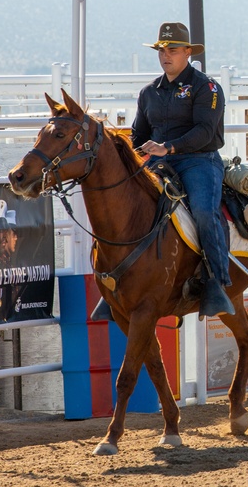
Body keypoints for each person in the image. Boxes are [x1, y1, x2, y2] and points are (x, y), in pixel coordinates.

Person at [93, 22, 233, 322]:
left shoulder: (206, 87)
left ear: (187, 52)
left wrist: (168, 147)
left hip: (199, 160)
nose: (165, 55)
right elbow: (137, 133)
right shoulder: (149, 93)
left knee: (205, 213)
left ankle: (216, 280)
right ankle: (115, 281)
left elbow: (206, 132)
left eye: (172, 50)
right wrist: (136, 150)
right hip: (157, 162)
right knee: (123, 204)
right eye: (161, 50)